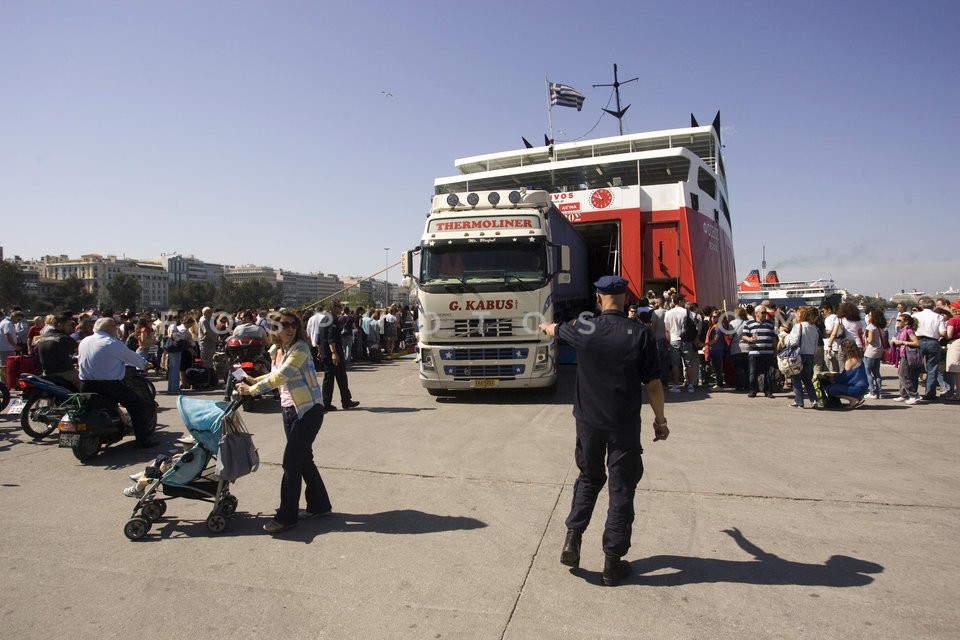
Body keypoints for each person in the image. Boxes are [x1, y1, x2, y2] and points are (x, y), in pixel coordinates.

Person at [540, 275, 668, 587]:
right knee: (621, 488)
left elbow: (552, 328)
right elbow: (652, 384)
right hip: (623, 425)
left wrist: (545, 326)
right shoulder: (639, 334)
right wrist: (660, 421)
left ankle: (573, 539)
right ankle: (612, 562)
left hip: (588, 423)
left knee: (589, 478)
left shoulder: (584, 329)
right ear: (625, 298)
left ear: (598, 298)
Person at [235, 310, 331, 534]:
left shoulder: (300, 348)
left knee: (291, 464)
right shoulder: (279, 350)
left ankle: (287, 517)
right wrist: (253, 379)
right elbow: (274, 375)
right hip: (289, 410)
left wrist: (253, 390)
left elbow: (282, 377)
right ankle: (320, 505)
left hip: (307, 410)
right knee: (303, 459)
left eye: (293, 325)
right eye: (284, 325)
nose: (289, 329)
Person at [78, 317, 156, 448]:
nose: (116, 329)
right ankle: (142, 441)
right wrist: (145, 364)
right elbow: (131, 356)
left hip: (85, 384)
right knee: (137, 406)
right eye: (115, 326)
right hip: (109, 386)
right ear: (109, 328)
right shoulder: (111, 343)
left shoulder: (85, 341)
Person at [318, 301, 359, 411]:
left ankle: (326, 403)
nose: (341, 308)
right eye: (339, 306)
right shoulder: (333, 319)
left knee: (328, 379)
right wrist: (334, 353)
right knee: (341, 377)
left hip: (325, 352)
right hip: (333, 352)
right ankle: (346, 401)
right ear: (334, 307)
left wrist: (320, 351)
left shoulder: (324, 318)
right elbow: (331, 338)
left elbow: (319, 337)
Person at [783, 306, 820, 408]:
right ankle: (813, 399)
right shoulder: (813, 328)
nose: (796, 316)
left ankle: (799, 402)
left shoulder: (798, 326)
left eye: (798, 314)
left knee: (796, 378)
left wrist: (785, 338)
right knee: (807, 378)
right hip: (810, 354)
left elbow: (793, 341)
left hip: (799, 354)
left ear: (802, 315)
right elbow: (815, 344)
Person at [35, 311, 80, 391]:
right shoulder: (63, 338)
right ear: (60, 325)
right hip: (64, 373)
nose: (71, 328)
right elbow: (79, 350)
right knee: (85, 387)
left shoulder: (44, 337)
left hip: (46, 373)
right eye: (68, 325)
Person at [914, 296, 947, 401]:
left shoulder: (916, 316)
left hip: (918, 341)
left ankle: (913, 391)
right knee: (932, 368)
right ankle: (930, 393)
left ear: (922, 306)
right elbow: (943, 332)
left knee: (915, 367)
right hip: (933, 341)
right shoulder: (938, 317)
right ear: (933, 307)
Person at [821, 339, 868, 407]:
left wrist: (833, 376)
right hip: (863, 387)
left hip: (856, 388)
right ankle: (856, 397)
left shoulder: (849, 361)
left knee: (830, 389)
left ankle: (853, 399)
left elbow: (844, 378)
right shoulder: (858, 359)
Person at [742, 306, 777, 398]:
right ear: (756, 313)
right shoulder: (749, 323)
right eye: (763, 313)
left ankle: (768, 391)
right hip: (754, 352)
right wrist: (749, 339)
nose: (765, 315)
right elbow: (743, 336)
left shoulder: (770, 324)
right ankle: (753, 390)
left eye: (765, 313)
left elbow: (773, 338)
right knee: (753, 372)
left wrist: (775, 350)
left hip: (768, 352)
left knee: (767, 373)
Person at [891, 313, 922, 403]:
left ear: (906, 322)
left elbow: (916, 343)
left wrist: (902, 342)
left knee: (903, 375)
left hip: (907, 355)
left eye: (900, 320)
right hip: (902, 354)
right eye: (897, 320)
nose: (898, 322)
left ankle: (914, 395)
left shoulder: (909, 330)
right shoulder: (901, 330)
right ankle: (903, 395)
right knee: (901, 374)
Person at [862, 307, 888, 399]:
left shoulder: (870, 327)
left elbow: (870, 339)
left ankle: (871, 391)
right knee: (876, 372)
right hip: (879, 350)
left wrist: (865, 337)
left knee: (867, 371)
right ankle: (879, 391)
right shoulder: (881, 327)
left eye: (869, 315)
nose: (868, 316)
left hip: (871, 351)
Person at [943, 302, 960, 399]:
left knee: (956, 370)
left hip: (955, 344)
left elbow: (949, 335)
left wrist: (942, 334)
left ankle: (957, 394)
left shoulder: (952, 320)